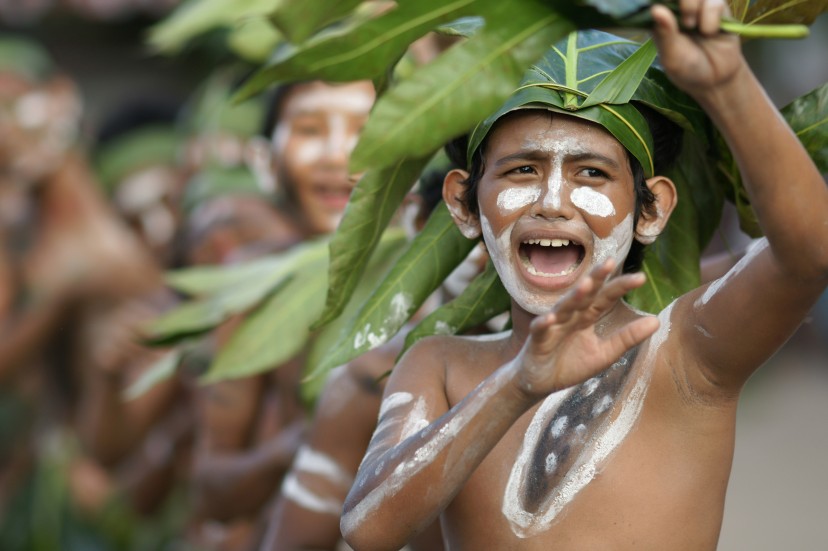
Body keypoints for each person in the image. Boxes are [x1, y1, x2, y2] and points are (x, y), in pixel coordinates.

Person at [340, 2, 828, 550]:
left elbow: (808, 256)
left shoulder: (686, 352)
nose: (553, 202)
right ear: (463, 204)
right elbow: (369, 529)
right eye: (522, 169)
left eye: (591, 173)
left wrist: (729, 84)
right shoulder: (441, 366)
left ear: (651, 210)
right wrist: (516, 385)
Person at [188, 78, 376, 551]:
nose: (339, 155)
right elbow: (212, 488)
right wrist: (305, 446)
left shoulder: (459, 271)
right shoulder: (255, 284)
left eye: (368, 129)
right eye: (311, 130)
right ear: (264, 161)